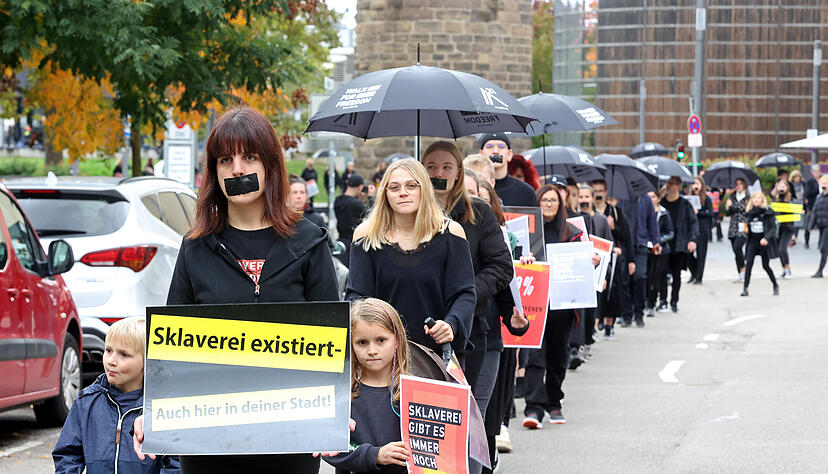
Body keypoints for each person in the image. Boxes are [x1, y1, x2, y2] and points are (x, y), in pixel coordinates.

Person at [131, 107, 340, 473]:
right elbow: (170, 350)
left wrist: (336, 411)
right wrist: (150, 410)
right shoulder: (196, 247)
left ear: (270, 165)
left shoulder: (309, 242)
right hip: (208, 438)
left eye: (249, 157)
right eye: (225, 160)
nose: (238, 169)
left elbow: (332, 343)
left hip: (290, 435)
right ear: (214, 171)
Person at [420, 141, 514, 420]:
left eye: (447, 167)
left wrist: (466, 294)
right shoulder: (409, 212)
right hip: (420, 328)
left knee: (465, 419)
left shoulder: (479, 212)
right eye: (431, 167)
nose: (439, 173)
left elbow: (501, 266)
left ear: (458, 172)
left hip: (469, 329)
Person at [345, 158, 476, 356]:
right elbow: (357, 297)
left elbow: (464, 293)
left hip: (436, 352)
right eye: (394, 187)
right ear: (385, 193)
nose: (403, 192)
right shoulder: (366, 236)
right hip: (381, 355)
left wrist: (451, 324)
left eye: (411, 186)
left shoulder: (450, 233)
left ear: (425, 189)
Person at [54, 317, 179, 474]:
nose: (111, 361)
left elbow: (176, 462)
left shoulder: (162, 409)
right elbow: (67, 455)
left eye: (124, 354)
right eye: (108, 351)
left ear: (147, 363)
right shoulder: (86, 402)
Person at [522, 185, 589, 429]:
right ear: (537, 203)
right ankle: (533, 407)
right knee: (534, 355)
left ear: (561, 205)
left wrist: (590, 261)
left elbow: (583, 265)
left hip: (562, 305)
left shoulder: (572, 232)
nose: (549, 204)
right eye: (545, 200)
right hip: (535, 303)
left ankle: (554, 402)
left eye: (554, 200)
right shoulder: (527, 232)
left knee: (558, 355)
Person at [324, 298, 410, 474]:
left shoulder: (413, 391)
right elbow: (329, 449)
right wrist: (374, 455)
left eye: (381, 340)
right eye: (362, 342)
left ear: (397, 340)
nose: (372, 350)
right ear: (351, 344)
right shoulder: (341, 392)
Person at [590, 179, 633, 338]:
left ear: (606, 192)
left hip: (612, 258)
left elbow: (626, 236)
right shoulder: (589, 212)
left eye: (601, 191)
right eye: (595, 191)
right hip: (594, 256)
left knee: (612, 291)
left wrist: (613, 227)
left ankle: (609, 324)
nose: (598, 194)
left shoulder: (615, 212)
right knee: (596, 291)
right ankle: (595, 324)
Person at [659, 176, 698, 312]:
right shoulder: (661, 203)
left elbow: (693, 223)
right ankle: (662, 300)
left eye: (674, 183)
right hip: (664, 243)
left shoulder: (685, 204)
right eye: (669, 183)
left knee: (676, 274)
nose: (671, 186)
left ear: (679, 186)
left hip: (680, 243)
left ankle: (674, 301)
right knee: (662, 272)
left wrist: (692, 240)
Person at [478, 133, 537, 207]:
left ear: (509, 154)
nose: (495, 151)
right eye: (489, 147)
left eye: (501, 147)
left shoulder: (526, 192)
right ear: (481, 154)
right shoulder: (473, 188)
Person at [741, 191, 779, 297]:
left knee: (765, 265)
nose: (756, 200)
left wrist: (766, 238)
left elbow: (773, 228)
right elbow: (747, 226)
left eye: (758, 198)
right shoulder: (749, 213)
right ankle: (745, 288)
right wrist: (745, 230)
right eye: (754, 198)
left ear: (762, 200)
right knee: (748, 264)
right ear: (751, 200)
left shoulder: (767, 212)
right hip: (752, 241)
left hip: (763, 243)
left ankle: (775, 285)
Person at [646, 190, 674, 316]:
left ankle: (660, 301)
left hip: (661, 250)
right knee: (647, 276)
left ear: (658, 198)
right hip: (646, 248)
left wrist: (658, 240)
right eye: (648, 197)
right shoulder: (643, 212)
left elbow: (670, 233)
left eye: (653, 197)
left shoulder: (663, 213)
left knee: (659, 276)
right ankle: (647, 300)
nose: (651, 199)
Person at [334, 173, 368, 267]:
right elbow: (372, 216)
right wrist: (370, 198)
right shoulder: (356, 204)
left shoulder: (337, 200)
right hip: (355, 242)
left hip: (341, 241)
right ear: (360, 187)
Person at [688, 176, 714, 284]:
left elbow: (711, 213)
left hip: (702, 228)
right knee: (688, 253)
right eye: (694, 184)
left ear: (702, 185)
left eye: (697, 184)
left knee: (701, 254)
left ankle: (699, 277)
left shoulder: (706, 198)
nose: (695, 186)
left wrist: (699, 212)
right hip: (691, 229)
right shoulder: (689, 198)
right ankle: (694, 272)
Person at [726, 178, 750, 282]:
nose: (738, 186)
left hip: (743, 225)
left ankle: (744, 270)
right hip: (733, 226)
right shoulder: (732, 197)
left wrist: (747, 205)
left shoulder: (748, 197)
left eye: (740, 184)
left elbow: (747, 211)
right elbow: (728, 213)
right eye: (737, 184)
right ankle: (741, 273)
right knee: (736, 251)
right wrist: (728, 207)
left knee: (737, 247)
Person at [773, 179, 795, 279]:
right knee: (779, 250)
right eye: (780, 186)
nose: (781, 188)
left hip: (787, 228)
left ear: (787, 188)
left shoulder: (791, 200)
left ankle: (788, 269)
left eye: (783, 186)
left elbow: (794, 215)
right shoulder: (775, 199)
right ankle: (784, 269)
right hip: (778, 229)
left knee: (782, 249)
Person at [809, 175, 828, 277]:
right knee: (823, 247)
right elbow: (814, 212)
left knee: (823, 248)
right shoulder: (819, 197)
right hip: (821, 226)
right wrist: (810, 226)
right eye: (822, 183)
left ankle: (820, 271)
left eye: (825, 183)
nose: (823, 184)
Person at [804, 165, 823, 249]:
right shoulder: (810, 181)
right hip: (812, 206)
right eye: (815, 171)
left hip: (822, 206)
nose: (817, 173)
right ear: (812, 172)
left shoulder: (824, 180)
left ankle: (820, 243)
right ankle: (806, 242)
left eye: (818, 171)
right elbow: (808, 193)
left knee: (822, 226)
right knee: (808, 225)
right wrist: (818, 187)